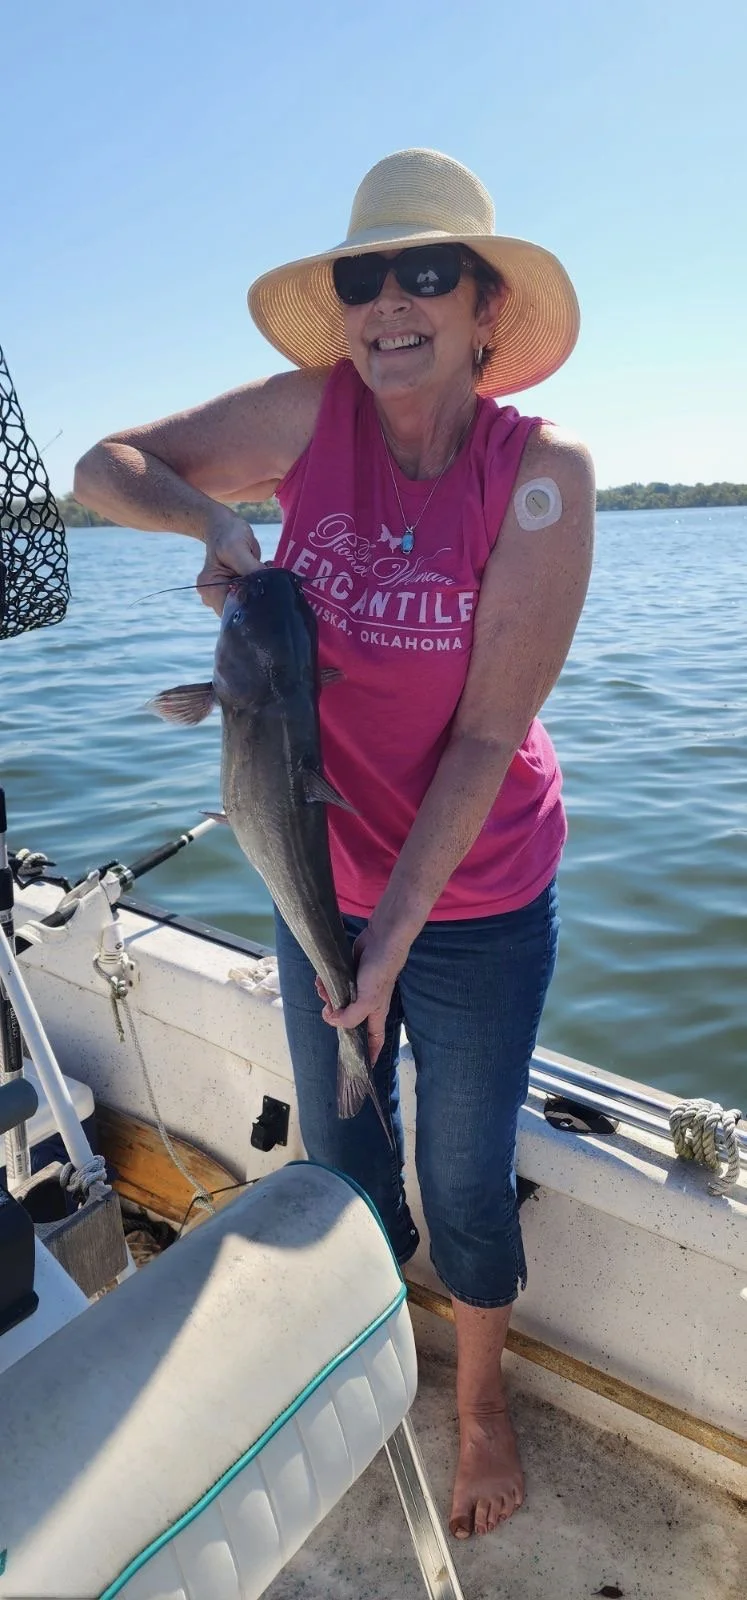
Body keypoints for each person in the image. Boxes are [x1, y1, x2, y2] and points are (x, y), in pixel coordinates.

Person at [74, 147, 595, 1540]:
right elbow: (101, 464)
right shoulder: (311, 418)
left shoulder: (538, 474)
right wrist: (207, 519)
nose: (390, 302)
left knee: (466, 1173)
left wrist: (390, 947)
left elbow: (485, 740)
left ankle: (477, 1403)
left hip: (475, 894)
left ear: (487, 309)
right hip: (319, 885)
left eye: (428, 272)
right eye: (365, 276)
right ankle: (372, 1356)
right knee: (343, 1153)